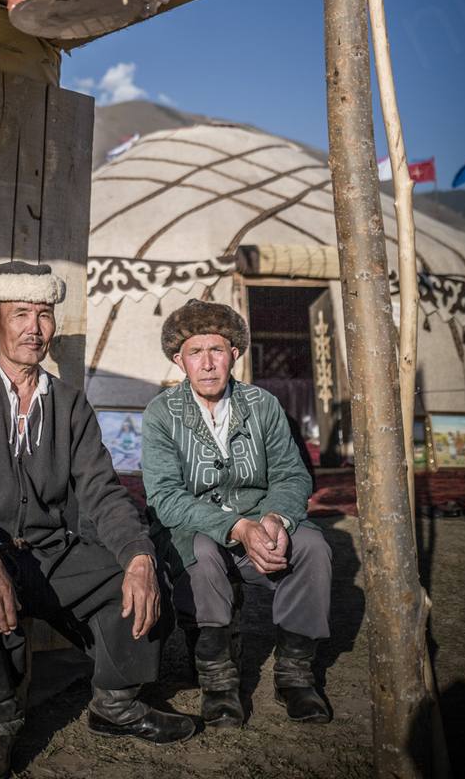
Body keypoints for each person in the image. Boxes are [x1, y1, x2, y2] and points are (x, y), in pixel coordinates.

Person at [0, 261, 194, 779]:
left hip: (47, 551)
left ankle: (116, 705)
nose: (33, 328)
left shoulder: (69, 403)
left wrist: (139, 556)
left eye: (43, 314)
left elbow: (103, 491)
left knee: (129, 579)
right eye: (20, 314)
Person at [142, 299, 333, 729]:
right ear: (179, 360)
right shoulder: (161, 414)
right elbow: (165, 497)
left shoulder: (261, 405)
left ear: (235, 354)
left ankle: (295, 676)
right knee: (204, 556)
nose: (208, 364)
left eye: (217, 350)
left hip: (260, 519)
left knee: (313, 546)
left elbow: (290, 473)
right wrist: (236, 527)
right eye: (196, 352)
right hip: (192, 527)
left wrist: (276, 520)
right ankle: (219, 684)